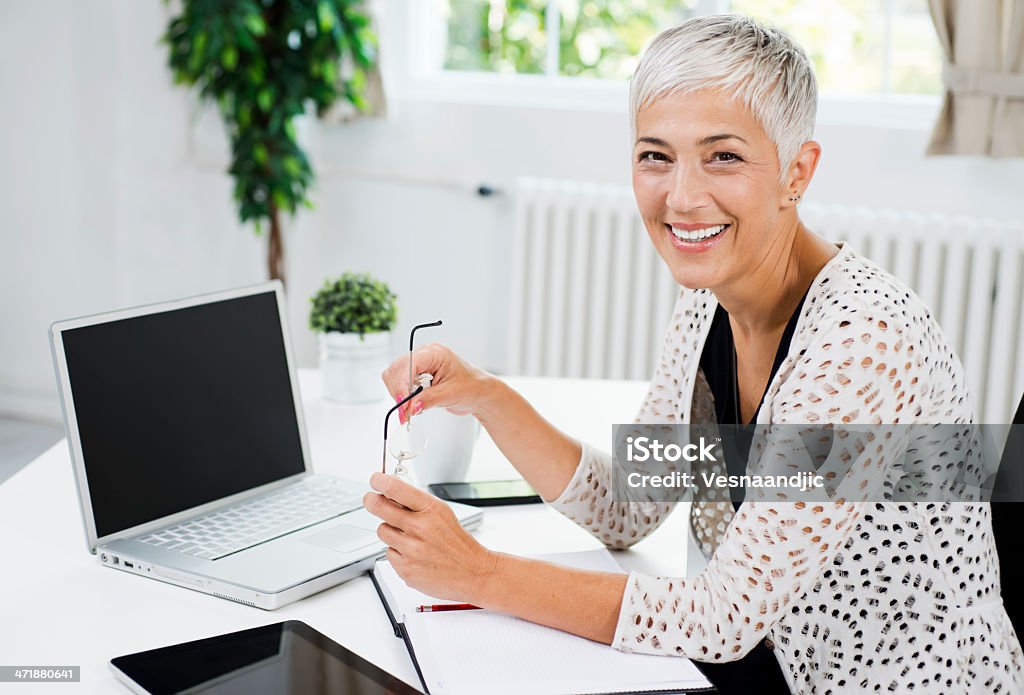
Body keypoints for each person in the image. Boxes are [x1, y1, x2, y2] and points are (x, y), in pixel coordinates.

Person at [363, 14, 1023, 694]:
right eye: (656, 155)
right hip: (776, 662)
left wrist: (477, 571)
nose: (681, 197)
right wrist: (485, 394)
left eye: (724, 156)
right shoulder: (709, 301)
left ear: (797, 170)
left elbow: (723, 614)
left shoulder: (863, 342)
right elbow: (627, 504)